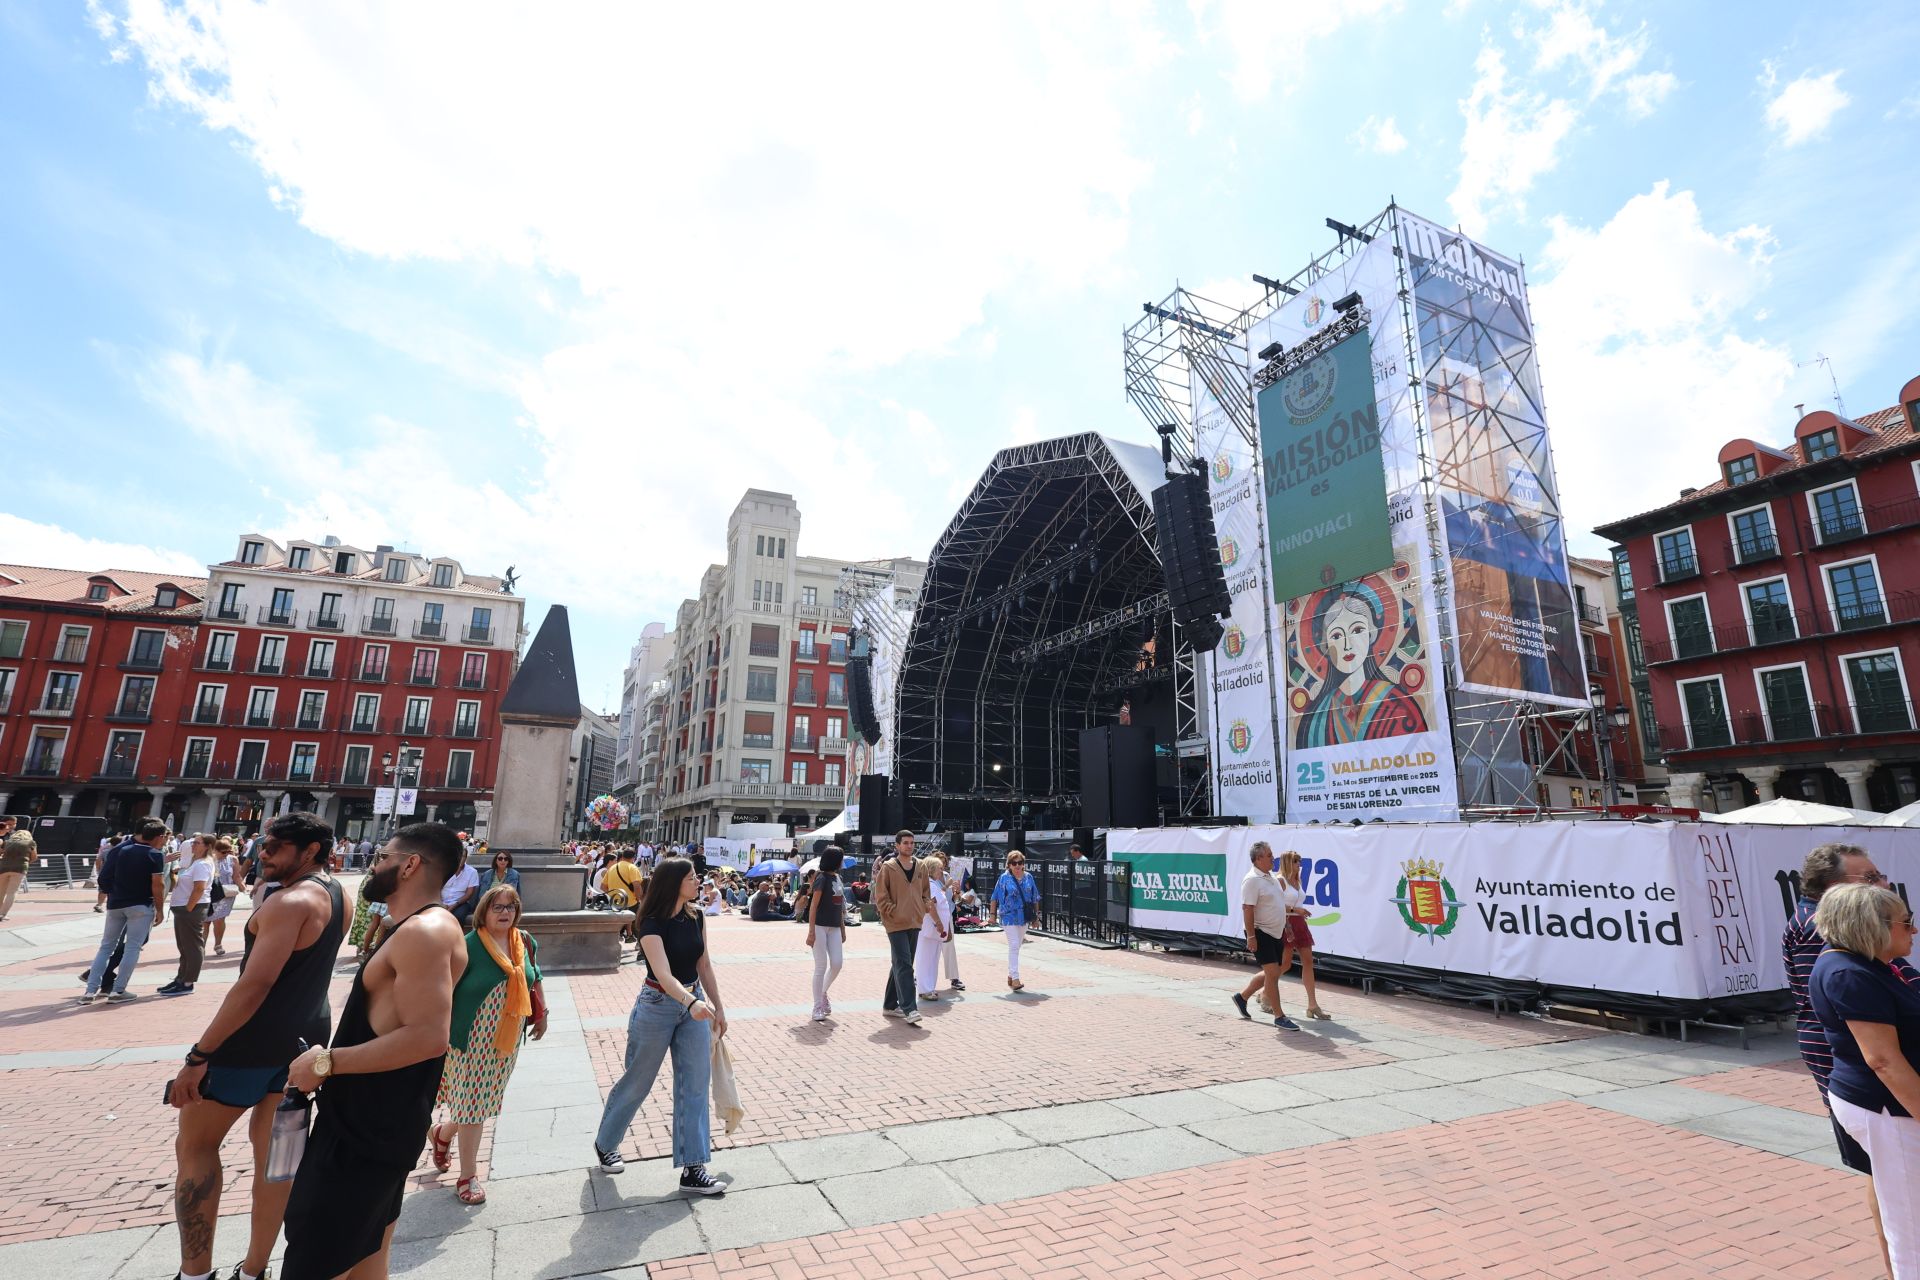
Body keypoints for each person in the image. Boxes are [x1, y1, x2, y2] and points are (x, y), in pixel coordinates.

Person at [281, 823, 469, 1280]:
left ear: (410, 865)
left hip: (364, 1130)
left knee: (316, 1258)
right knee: (366, 1260)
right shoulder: (427, 926)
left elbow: (428, 1036)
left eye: (383, 856)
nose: (374, 864)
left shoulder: (423, 932)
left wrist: (326, 1062)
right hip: (380, 1122)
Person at [167, 811, 344, 1280]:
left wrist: (198, 1056)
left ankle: (195, 1273)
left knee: (196, 1146)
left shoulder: (291, 902)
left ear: (308, 852)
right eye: (263, 845)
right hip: (304, 1042)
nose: (261, 854)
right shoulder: (336, 893)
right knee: (278, 1164)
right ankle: (255, 1270)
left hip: (248, 1045)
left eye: (273, 848)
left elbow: (254, 985)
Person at [1785, 842, 1913, 1275]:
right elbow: (1876, 1055)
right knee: (1905, 1210)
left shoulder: (1875, 960)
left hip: (1884, 1095)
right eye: (1870, 878)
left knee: (1898, 1192)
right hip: (1878, 1096)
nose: (1882, 881)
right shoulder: (1841, 964)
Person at [592, 856, 731, 1193]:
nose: (698, 882)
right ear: (675, 883)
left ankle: (693, 1167)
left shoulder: (696, 916)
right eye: (692, 878)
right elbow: (663, 974)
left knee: (695, 1084)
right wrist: (692, 1002)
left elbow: (704, 963)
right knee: (638, 1080)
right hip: (657, 1005)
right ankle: (606, 1141)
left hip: (694, 1005)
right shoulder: (651, 922)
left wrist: (718, 1006)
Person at [1810, 883, 1920, 1279]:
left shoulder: (1871, 964)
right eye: (1906, 923)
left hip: (1891, 1106)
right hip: (1888, 1108)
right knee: (1911, 1226)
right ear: (1870, 926)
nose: (1914, 930)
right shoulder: (1848, 973)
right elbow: (1883, 1060)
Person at [427, 883, 547, 1206]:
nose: (505, 913)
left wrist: (542, 1014)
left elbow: (536, 977)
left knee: (479, 1101)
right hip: (470, 1039)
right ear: (484, 911)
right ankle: (468, 1176)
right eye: (498, 907)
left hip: (505, 1040)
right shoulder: (467, 946)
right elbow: (443, 990)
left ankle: (443, 1134)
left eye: (511, 907)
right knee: (474, 1104)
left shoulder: (524, 942)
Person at [1293, 579, 1428, 748]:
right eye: (1336, 636)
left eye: (1357, 630)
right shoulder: (1315, 717)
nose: (1347, 645)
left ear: (1371, 634)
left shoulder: (1396, 702)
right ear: (1325, 646)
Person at [82, 818, 169, 1004]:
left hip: (116, 903)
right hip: (140, 904)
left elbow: (105, 876)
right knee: (133, 947)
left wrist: (112, 893)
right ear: (159, 836)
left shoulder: (121, 850)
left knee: (106, 947)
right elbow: (158, 884)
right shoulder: (155, 854)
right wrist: (160, 909)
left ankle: (89, 991)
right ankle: (118, 990)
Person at [1232, 842, 1300, 1030]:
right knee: (1272, 974)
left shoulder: (1270, 878)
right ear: (1259, 858)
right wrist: (1251, 936)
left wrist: (1286, 925)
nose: (1273, 858)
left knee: (1274, 972)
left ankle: (1242, 997)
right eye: (1269, 855)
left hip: (1276, 931)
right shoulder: (1252, 880)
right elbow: (1247, 908)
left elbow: (1277, 905)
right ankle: (1279, 1016)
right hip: (1261, 932)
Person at [876, 831, 935, 1025]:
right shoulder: (889, 867)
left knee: (900, 963)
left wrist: (924, 906)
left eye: (912, 843)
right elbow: (881, 895)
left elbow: (926, 891)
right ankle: (910, 1008)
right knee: (905, 964)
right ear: (897, 846)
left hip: (915, 921)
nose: (909, 846)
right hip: (895, 922)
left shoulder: (921, 866)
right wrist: (892, 911)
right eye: (906, 843)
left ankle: (890, 1005)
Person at [1275, 850, 1329, 1020]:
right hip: (1286, 923)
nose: (1299, 864)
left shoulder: (1298, 880)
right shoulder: (1280, 881)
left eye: (1299, 861)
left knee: (1308, 961)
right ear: (1287, 863)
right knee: (1285, 965)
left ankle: (1312, 1005)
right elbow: (1274, 906)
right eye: (1296, 861)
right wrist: (1295, 910)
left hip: (1299, 923)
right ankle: (1264, 992)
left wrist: (1300, 911)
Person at [159, 835, 214, 997]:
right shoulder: (195, 863)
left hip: (191, 909)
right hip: (184, 908)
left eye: (197, 843)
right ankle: (181, 978)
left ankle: (188, 982)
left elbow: (199, 888)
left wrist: (189, 907)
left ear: (207, 846)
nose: (193, 845)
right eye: (193, 843)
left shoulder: (203, 864)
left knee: (191, 946)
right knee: (184, 946)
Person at [988, 850, 1041, 992]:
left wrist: (1036, 917)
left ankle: (1011, 975)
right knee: (1014, 944)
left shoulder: (1029, 877)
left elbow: (1035, 898)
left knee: (1016, 946)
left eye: (1020, 863)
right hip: (1008, 916)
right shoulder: (1004, 879)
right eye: (1014, 863)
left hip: (1024, 917)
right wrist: (992, 915)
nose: (1017, 866)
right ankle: (1016, 978)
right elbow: (994, 897)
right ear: (1009, 865)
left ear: (1023, 864)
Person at [806, 848, 849, 1022]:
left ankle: (823, 993)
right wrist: (811, 932)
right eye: (841, 859)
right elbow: (813, 906)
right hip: (819, 926)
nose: (842, 863)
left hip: (835, 927)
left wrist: (843, 928)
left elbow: (839, 906)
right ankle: (817, 1006)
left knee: (837, 963)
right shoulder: (821, 878)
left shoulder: (838, 878)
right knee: (821, 966)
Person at [915, 854, 956, 1001]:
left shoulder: (933, 884)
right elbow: (930, 906)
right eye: (939, 868)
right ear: (931, 869)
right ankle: (925, 989)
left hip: (935, 930)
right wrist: (939, 923)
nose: (942, 871)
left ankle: (929, 987)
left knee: (932, 958)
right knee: (926, 958)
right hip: (931, 929)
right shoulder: (930, 885)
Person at [204, 836, 239, 955]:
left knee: (219, 919)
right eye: (224, 852)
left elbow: (236, 876)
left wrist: (243, 887)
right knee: (205, 920)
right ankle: (201, 947)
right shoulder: (208, 859)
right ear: (215, 850)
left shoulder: (233, 859)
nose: (226, 854)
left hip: (226, 894)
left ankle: (218, 944)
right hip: (210, 892)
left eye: (229, 851)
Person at [0, 816, 33, 922]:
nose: (12, 826)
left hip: (3, 867)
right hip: (19, 868)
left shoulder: (9, 840)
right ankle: (3, 914)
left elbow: (2, 852)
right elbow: (35, 856)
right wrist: (25, 862)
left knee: (1, 891)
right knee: (12, 892)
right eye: (11, 824)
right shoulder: (30, 842)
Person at [441, 850, 481, 929]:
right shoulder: (444, 869)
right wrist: (440, 903)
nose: (460, 858)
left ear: (466, 858)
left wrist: (454, 905)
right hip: (441, 901)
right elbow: (437, 888)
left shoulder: (472, 872)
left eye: (462, 856)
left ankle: (456, 939)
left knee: (458, 916)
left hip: (460, 903)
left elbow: (469, 893)